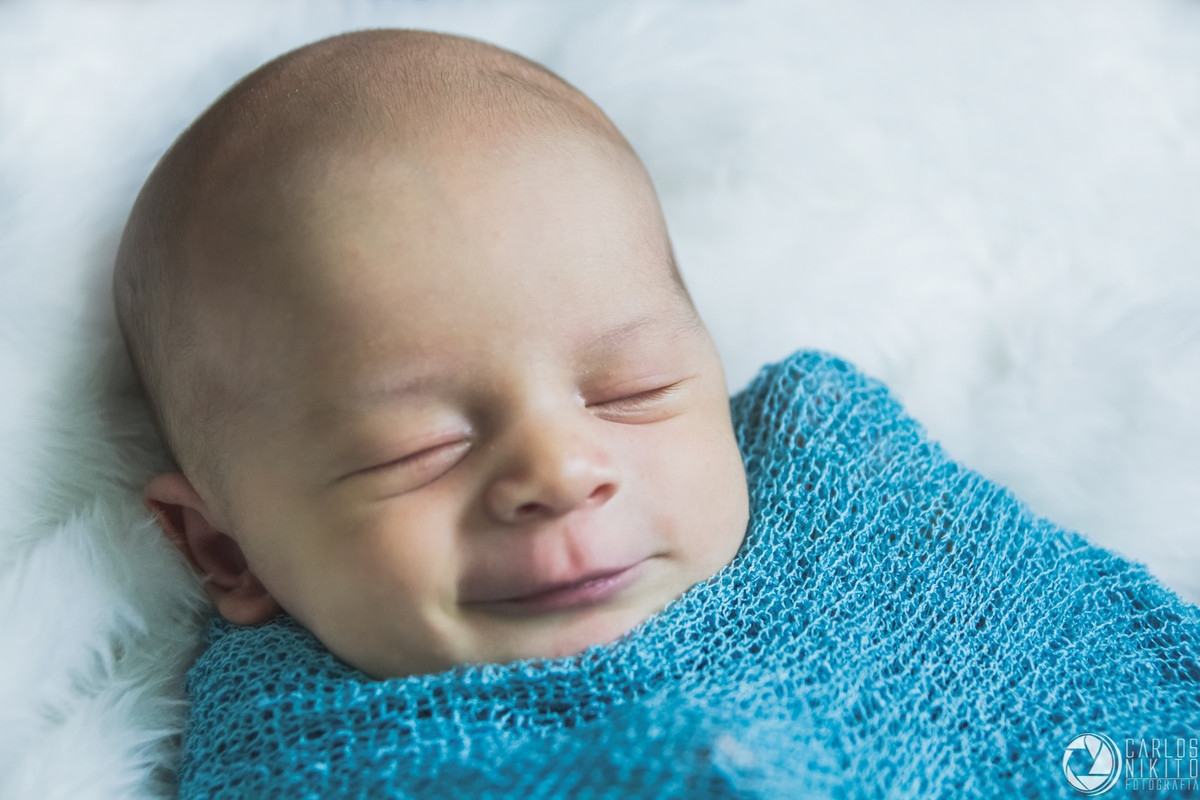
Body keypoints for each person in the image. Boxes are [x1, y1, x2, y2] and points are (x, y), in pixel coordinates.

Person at [113, 29, 1200, 798]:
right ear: (224, 546)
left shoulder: (843, 492)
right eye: (421, 447)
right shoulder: (302, 753)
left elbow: (1100, 696)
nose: (561, 464)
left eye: (629, 389)